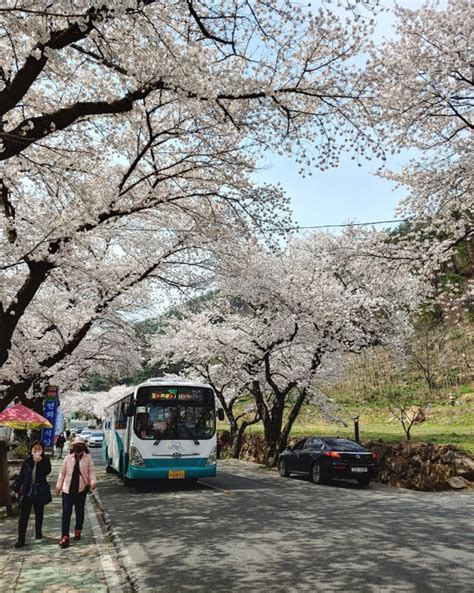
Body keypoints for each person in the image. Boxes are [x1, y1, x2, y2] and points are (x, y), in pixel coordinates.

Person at [55, 436, 97, 548]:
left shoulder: (88, 458)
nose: (78, 447)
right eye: (76, 445)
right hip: (67, 490)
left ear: (84, 447)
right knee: (66, 513)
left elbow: (92, 472)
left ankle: (78, 529)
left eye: (80, 445)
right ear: (73, 447)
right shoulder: (68, 458)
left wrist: (93, 482)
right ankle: (65, 536)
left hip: (81, 490)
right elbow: (62, 473)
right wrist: (58, 486)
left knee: (79, 512)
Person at [14, 440, 52, 548]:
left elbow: (48, 471)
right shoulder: (26, 462)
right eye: (34, 449)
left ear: (42, 450)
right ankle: (21, 539)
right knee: (23, 516)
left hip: (39, 491)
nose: (36, 450)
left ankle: (38, 532)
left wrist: (40, 461)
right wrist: (17, 490)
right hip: (27, 491)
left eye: (39, 449)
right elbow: (21, 476)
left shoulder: (45, 460)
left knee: (39, 513)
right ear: (31, 450)